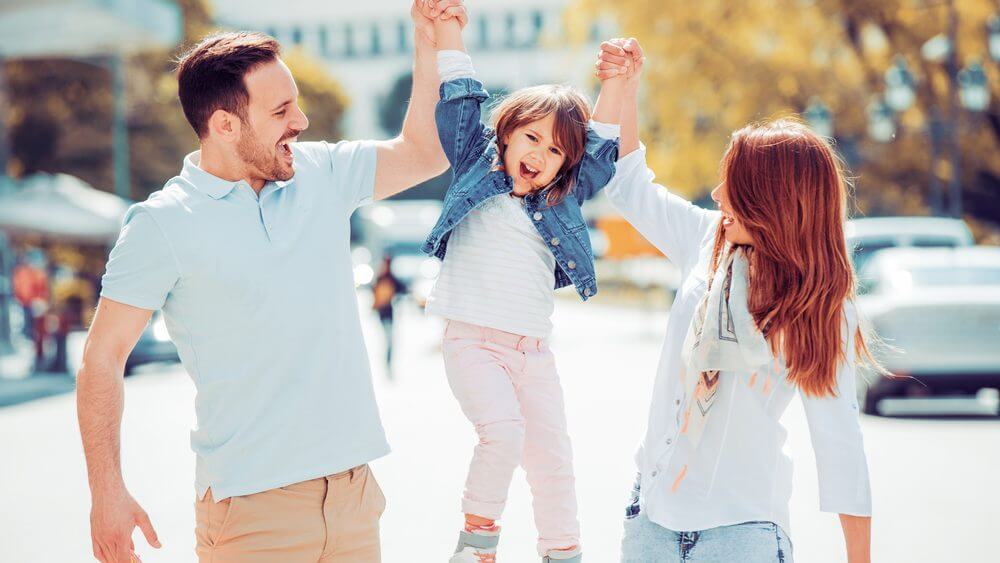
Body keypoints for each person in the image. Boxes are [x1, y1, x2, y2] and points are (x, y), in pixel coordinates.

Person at [75, 3, 467, 562]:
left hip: (352, 498)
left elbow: (425, 153)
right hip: (252, 511)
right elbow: (101, 359)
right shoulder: (162, 223)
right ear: (225, 125)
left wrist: (429, 46)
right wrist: (106, 493)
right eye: (282, 110)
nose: (301, 122)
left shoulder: (322, 174)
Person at [596, 39, 875, 563]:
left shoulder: (821, 308)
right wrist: (626, 89)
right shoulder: (706, 242)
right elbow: (628, 185)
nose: (718, 196)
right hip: (651, 522)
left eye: (733, 185)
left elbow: (840, 445)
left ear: (770, 201)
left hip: (743, 533)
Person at [418, 2, 621, 561]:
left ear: (565, 166)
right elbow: (459, 99)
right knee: (502, 433)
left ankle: (562, 551)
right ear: (506, 135)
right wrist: (447, 27)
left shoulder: (562, 198)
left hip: (534, 353)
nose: (539, 154)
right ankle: (477, 544)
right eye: (531, 137)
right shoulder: (475, 164)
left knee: (552, 457)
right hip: (472, 343)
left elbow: (602, 149)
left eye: (555, 150)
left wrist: (619, 81)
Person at [371, 255, 407, 373]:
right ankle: (386, 364)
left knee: (389, 341)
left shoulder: (388, 279)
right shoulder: (381, 279)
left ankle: (388, 364)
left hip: (388, 314)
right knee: (388, 341)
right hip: (383, 314)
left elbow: (402, 289)